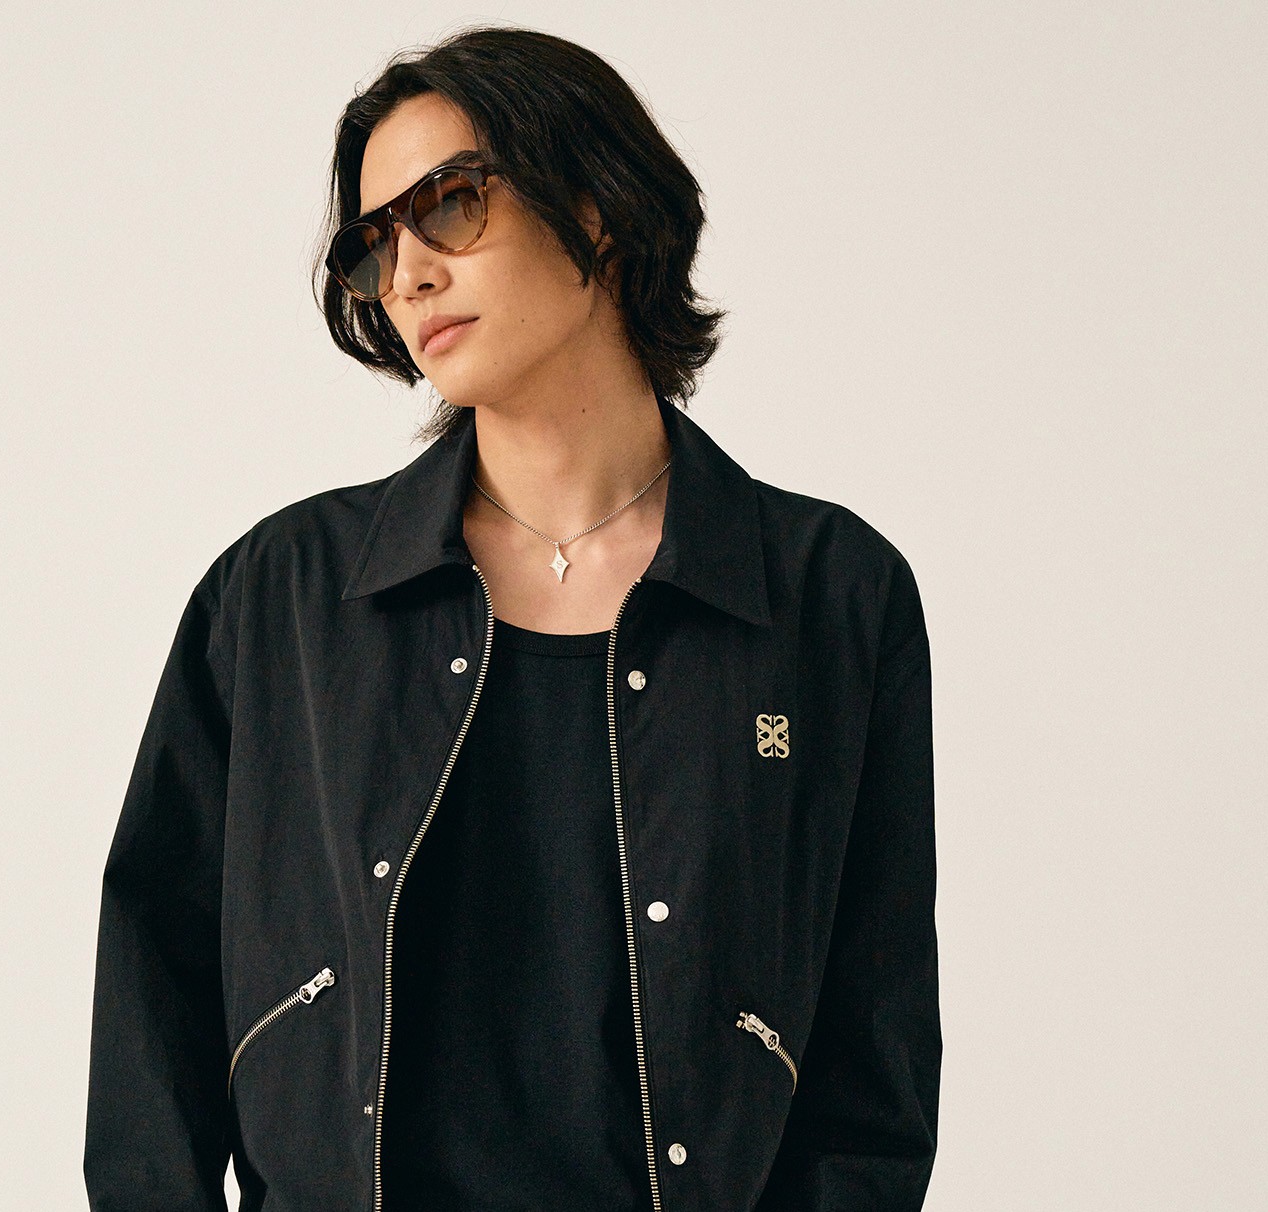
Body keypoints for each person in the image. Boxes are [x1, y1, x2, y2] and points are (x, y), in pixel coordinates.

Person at [84, 24, 940, 1212]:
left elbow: (871, 1056)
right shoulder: (281, 599)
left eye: (449, 206)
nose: (409, 273)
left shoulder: (830, 596)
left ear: (597, 204)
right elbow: (153, 1015)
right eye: (375, 244)